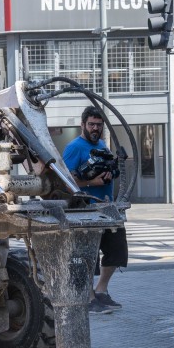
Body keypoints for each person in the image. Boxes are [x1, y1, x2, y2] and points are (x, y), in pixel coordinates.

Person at [63, 106, 128, 314]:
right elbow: (65, 180)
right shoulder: (74, 147)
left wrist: (109, 174)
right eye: (91, 124)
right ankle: (88, 297)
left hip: (107, 208)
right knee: (88, 255)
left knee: (117, 250)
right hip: (86, 211)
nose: (95, 128)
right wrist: (91, 181)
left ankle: (101, 291)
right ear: (83, 125)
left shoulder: (101, 145)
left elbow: (107, 168)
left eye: (99, 125)